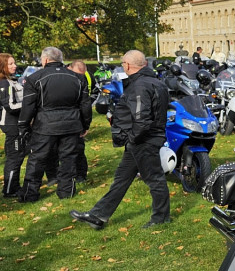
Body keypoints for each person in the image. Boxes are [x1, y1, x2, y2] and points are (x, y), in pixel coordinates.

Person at [70, 50, 170, 230]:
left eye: (123, 63)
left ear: (128, 65)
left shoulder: (140, 86)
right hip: (141, 140)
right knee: (121, 179)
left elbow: (142, 118)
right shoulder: (155, 82)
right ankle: (98, 215)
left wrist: (132, 137)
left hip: (144, 141)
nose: (123, 66)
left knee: (154, 178)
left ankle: (161, 218)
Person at [17, 47, 91, 202]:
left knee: (37, 159)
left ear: (44, 60)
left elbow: (28, 106)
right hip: (70, 124)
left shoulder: (34, 78)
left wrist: (23, 125)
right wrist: (85, 124)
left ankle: (30, 193)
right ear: (61, 59)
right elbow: (85, 105)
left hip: (45, 125)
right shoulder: (78, 78)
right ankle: (66, 191)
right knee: (68, 158)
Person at [0, 53, 25, 197]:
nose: (14, 66)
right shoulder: (4, 83)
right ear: (2, 66)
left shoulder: (12, 81)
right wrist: (29, 106)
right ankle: (9, 190)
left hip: (16, 124)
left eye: (14, 63)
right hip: (11, 124)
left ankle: (15, 186)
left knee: (18, 155)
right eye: (10, 64)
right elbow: (11, 106)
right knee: (14, 157)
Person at [68, 61, 91, 183]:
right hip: (71, 117)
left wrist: (86, 124)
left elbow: (85, 103)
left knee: (77, 148)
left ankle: (80, 175)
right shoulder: (76, 79)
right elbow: (85, 103)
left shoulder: (80, 79)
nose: (80, 77)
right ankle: (77, 175)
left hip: (73, 118)